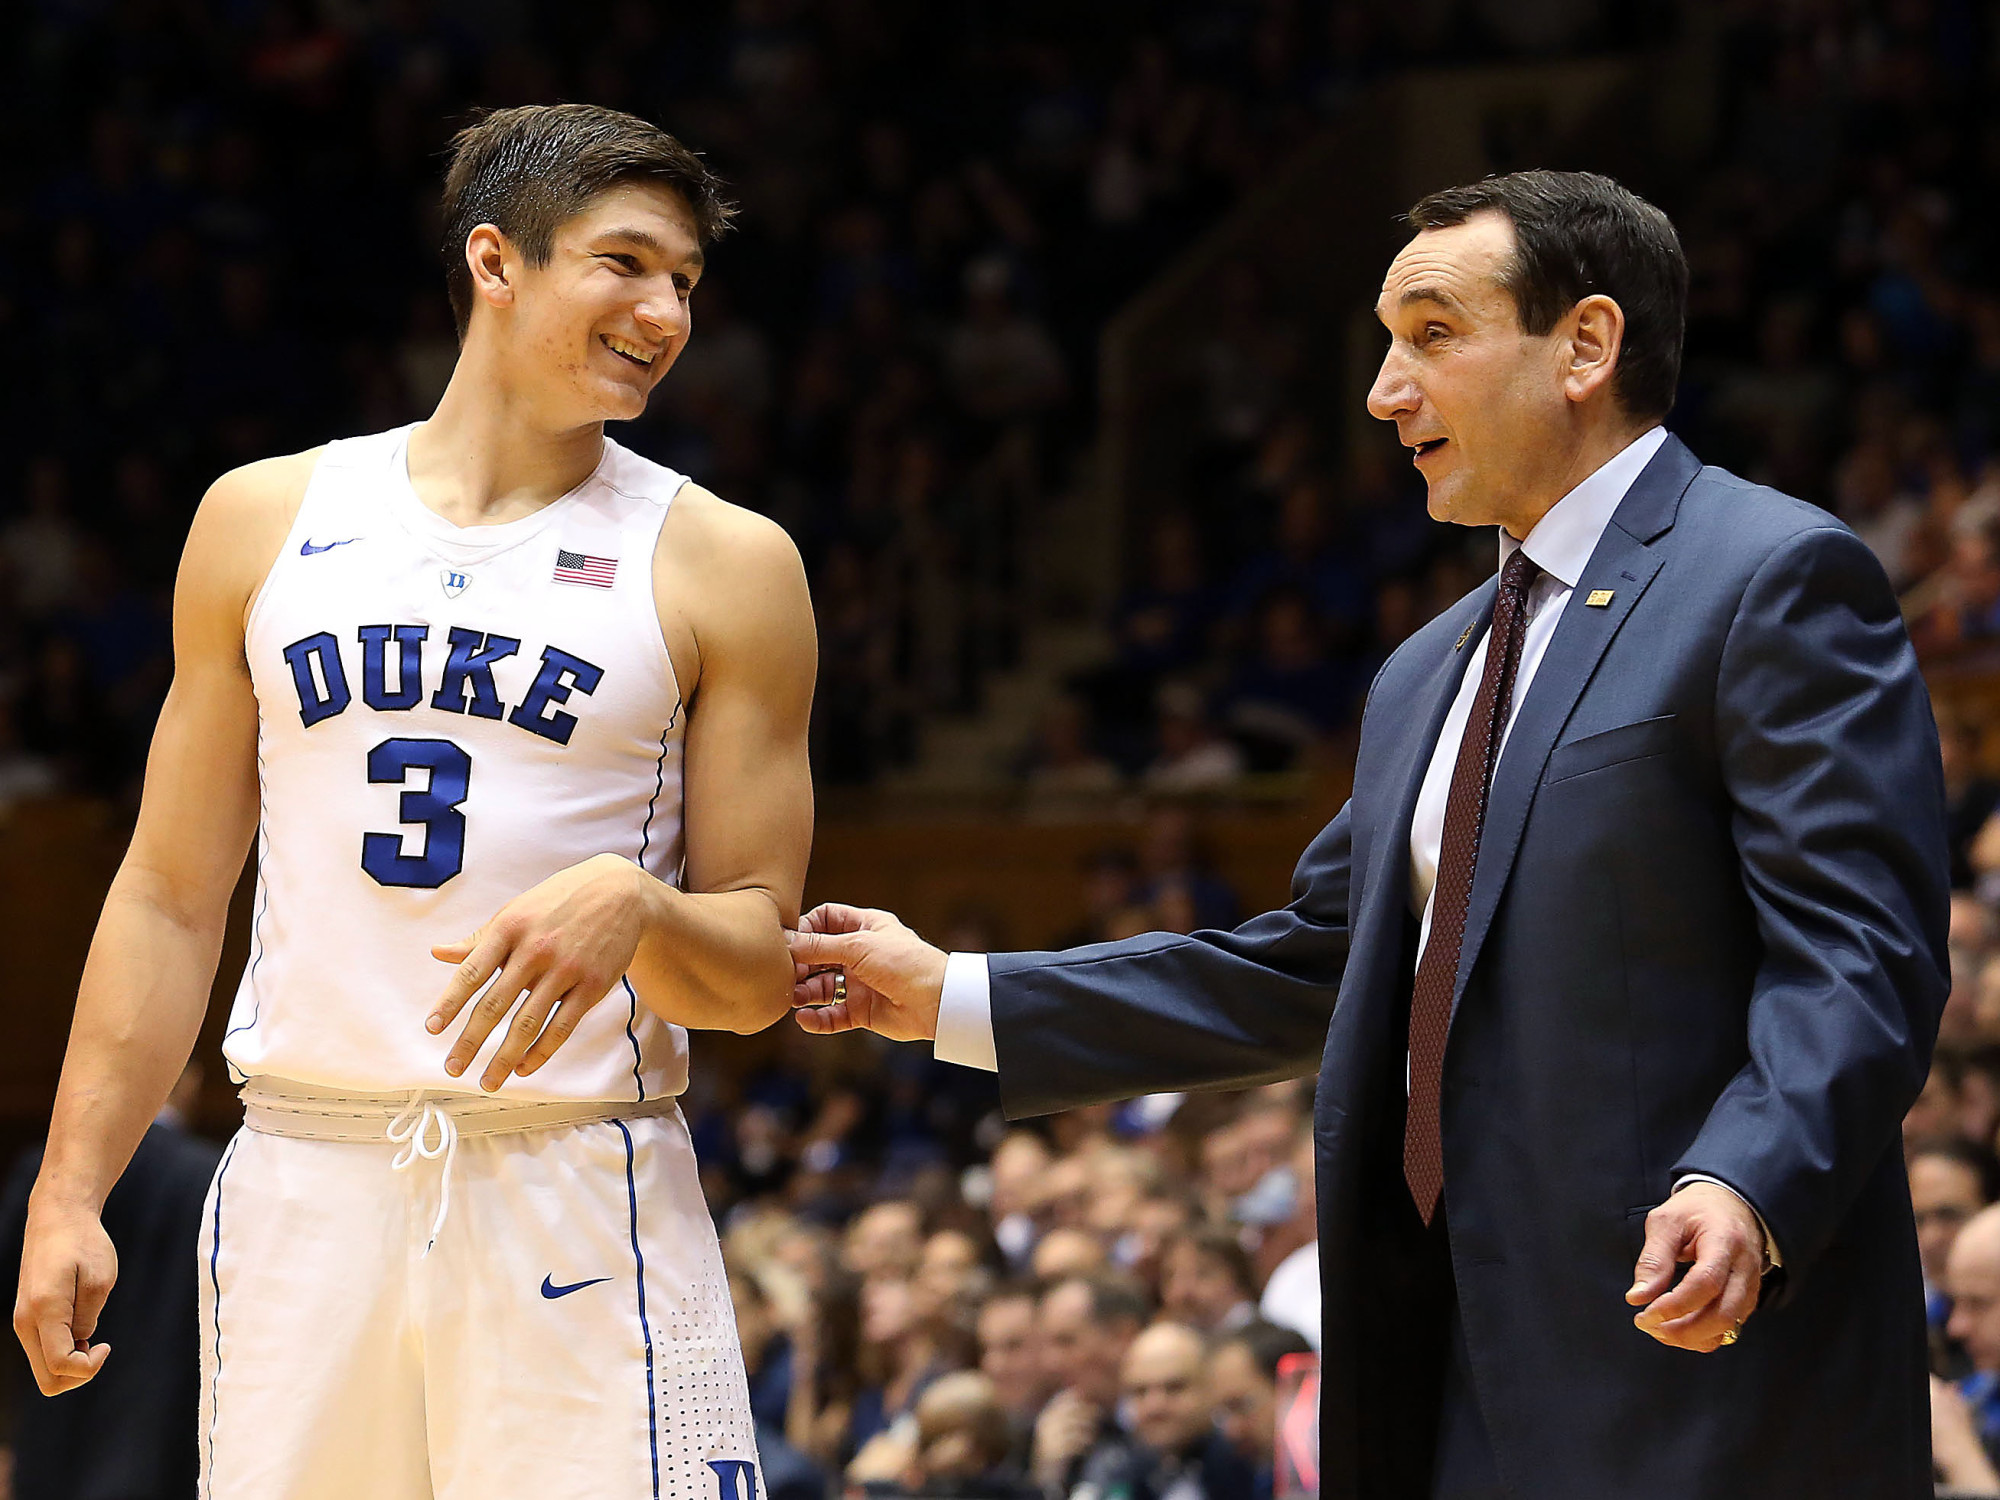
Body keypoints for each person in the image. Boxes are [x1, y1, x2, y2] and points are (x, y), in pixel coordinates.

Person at [789, 170, 1948, 1497]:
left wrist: (1746, 1180)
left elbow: (1860, 954)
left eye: (1433, 335)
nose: (1385, 391)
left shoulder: (1771, 577)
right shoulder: (1429, 669)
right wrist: (953, 994)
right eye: (1389, 345)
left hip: (1695, 1365)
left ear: (1587, 344)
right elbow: (1321, 969)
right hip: (1442, 1373)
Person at [14, 104, 817, 1500]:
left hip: (570, 1178)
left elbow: (754, 973)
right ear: (496, 262)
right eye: (624, 263)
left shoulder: (725, 564)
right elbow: (167, 892)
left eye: (685, 280)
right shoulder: (265, 519)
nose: (665, 310)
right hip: (302, 1183)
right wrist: (73, 1187)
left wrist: (639, 905)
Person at [2, 1063, 221, 1500]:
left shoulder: (42, 1173)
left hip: (54, 1408)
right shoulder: (212, 1177)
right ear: (191, 1081)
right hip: (170, 1420)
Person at [1118, 1322, 1255, 1500]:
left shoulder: (1248, 1463)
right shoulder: (1124, 1473)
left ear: (1210, 1387)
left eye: (1174, 1388)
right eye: (1140, 1391)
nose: (1155, 1406)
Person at [1209, 1322, 1316, 1500]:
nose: (1233, 1431)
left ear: (1298, 1389)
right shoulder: (1243, 1477)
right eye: (1223, 1413)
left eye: (1242, 1406)